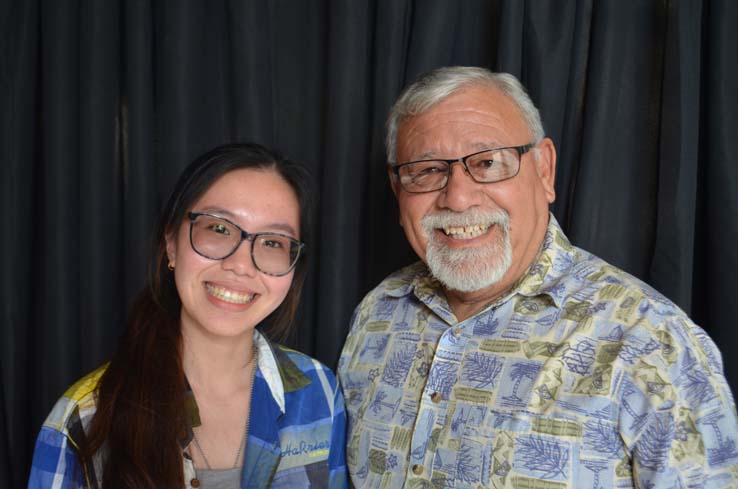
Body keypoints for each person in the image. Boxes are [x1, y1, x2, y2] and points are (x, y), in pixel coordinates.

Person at [338, 66, 738, 488]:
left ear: (544, 169)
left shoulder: (651, 340)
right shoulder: (377, 314)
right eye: (427, 170)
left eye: (488, 162)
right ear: (398, 188)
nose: (457, 197)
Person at [28, 143, 347, 488]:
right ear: (171, 245)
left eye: (272, 243)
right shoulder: (84, 418)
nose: (240, 266)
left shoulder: (321, 393)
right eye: (219, 229)